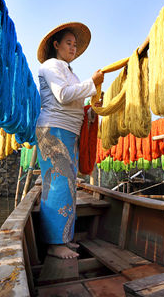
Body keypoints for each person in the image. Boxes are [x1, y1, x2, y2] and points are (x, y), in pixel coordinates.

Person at [36, 22, 104, 259]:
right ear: (56, 45)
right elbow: (63, 95)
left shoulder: (70, 71)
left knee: (68, 185)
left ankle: (64, 238)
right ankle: (54, 244)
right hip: (53, 129)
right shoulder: (51, 65)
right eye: (69, 43)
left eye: (75, 44)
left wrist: (93, 100)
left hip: (68, 131)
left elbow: (75, 100)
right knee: (57, 184)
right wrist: (91, 84)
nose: (73, 47)